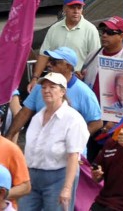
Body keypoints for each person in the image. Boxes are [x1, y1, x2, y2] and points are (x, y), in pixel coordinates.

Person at [21, 72, 89, 211]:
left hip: (58, 176)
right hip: (32, 175)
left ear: (62, 91)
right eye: (44, 87)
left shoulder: (73, 119)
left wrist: (67, 188)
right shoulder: (37, 117)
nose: (46, 90)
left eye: (52, 87)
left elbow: (73, 156)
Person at [8, 47, 102, 141]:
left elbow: (97, 123)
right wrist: (9, 137)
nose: (48, 64)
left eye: (54, 62)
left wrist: (74, 140)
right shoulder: (40, 86)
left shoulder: (84, 92)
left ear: (68, 66)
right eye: (49, 60)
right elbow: (25, 113)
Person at [32, 0, 100, 84]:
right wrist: (35, 78)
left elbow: (95, 60)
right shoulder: (54, 28)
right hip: (54, 81)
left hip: (77, 81)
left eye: (79, 7)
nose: (76, 11)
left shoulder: (91, 30)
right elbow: (44, 55)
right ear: (64, 8)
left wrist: (84, 74)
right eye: (72, 7)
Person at [82, 16, 123, 90]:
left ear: (121, 36)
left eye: (110, 32)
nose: (104, 35)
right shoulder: (92, 55)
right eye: (103, 31)